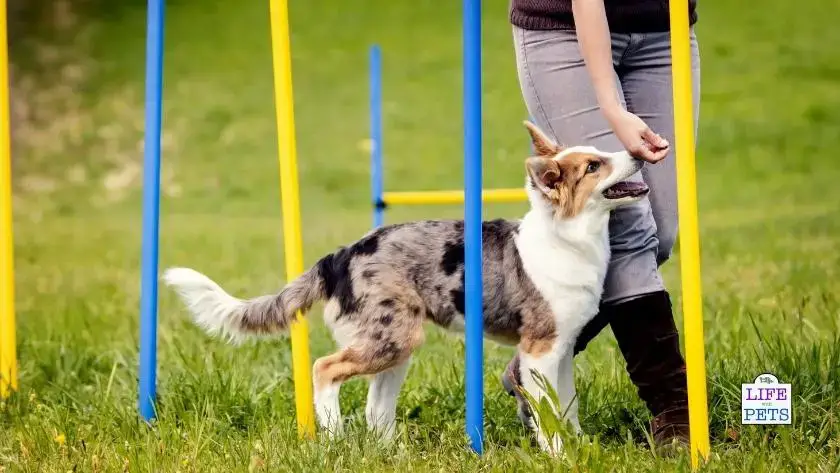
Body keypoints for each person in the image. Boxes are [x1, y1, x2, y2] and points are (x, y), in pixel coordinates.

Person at [501, 0, 701, 453]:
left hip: (663, 31)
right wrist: (610, 105)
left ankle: (535, 356)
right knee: (630, 229)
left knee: (660, 231)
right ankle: (675, 412)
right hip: (564, 31)